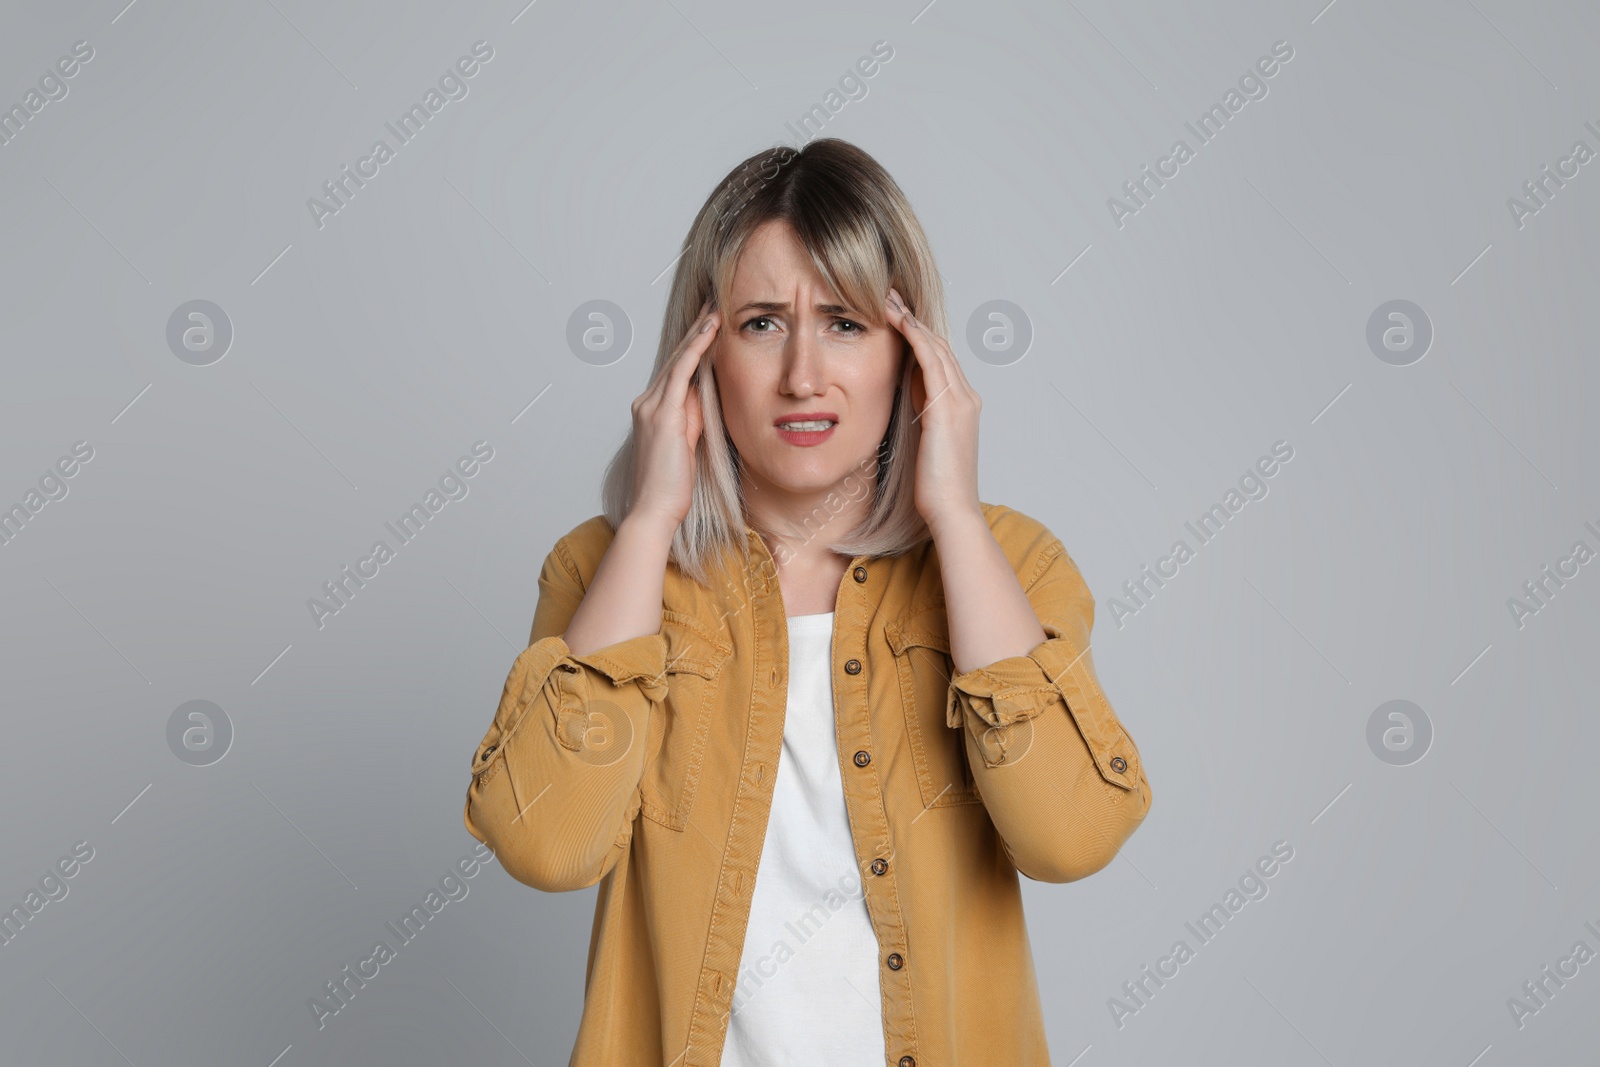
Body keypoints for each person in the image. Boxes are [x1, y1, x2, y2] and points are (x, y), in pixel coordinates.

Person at [464, 137, 1153, 1066]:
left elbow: (1070, 836)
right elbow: (549, 845)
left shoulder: (1009, 564)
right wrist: (651, 519)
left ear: (908, 353)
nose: (801, 374)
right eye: (758, 323)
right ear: (700, 354)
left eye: (843, 321)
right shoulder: (602, 572)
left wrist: (951, 513)